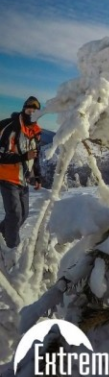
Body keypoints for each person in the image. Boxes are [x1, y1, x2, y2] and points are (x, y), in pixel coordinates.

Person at [0, 96, 43, 257]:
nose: (31, 113)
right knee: (15, 215)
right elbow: (1, 156)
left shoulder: (35, 132)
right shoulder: (11, 128)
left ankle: (2, 234)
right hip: (6, 177)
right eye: (28, 109)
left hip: (22, 180)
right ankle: (13, 253)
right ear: (23, 109)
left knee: (22, 216)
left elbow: (35, 156)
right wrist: (24, 157)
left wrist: (37, 176)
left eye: (34, 111)